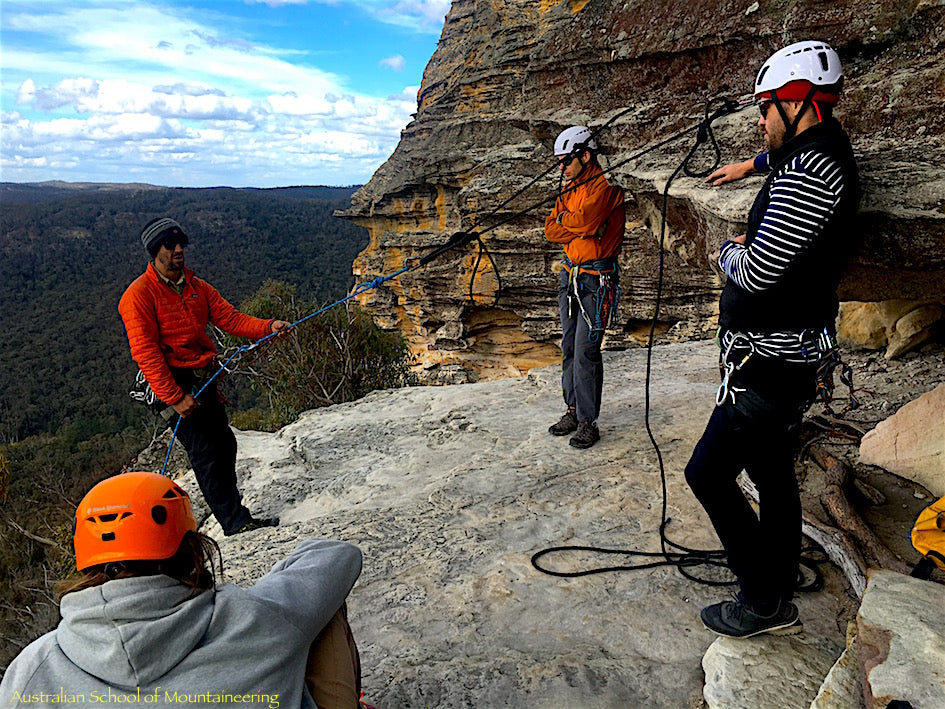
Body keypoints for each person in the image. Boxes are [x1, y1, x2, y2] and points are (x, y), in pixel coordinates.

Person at [685, 40, 861, 638]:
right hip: (786, 356)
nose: (760, 122)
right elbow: (788, 164)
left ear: (796, 102)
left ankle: (763, 603)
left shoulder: (815, 171)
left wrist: (723, 253)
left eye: (765, 110)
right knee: (771, 473)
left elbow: (759, 269)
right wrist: (749, 167)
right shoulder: (817, 152)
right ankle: (777, 578)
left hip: (771, 363)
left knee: (707, 475)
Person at [0, 471, 363, 708]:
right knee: (322, 613)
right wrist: (266, 590)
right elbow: (336, 556)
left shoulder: (32, 671)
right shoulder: (251, 618)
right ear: (192, 549)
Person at [119, 218, 290, 536]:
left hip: (203, 378)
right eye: (171, 245)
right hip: (176, 383)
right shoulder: (138, 296)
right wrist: (174, 397)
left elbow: (231, 318)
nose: (179, 249)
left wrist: (268, 327)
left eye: (181, 243)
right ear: (155, 251)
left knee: (224, 444)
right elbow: (145, 352)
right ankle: (234, 522)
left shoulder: (197, 287)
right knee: (206, 452)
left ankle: (236, 513)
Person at [544, 126, 626, 449]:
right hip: (571, 276)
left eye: (566, 161)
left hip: (596, 278)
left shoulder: (604, 187)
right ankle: (573, 410)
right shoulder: (568, 190)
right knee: (568, 347)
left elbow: (589, 222)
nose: (562, 168)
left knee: (586, 351)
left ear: (585, 155)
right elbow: (551, 228)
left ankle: (589, 421)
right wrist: (575, 226)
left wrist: (574, 225)